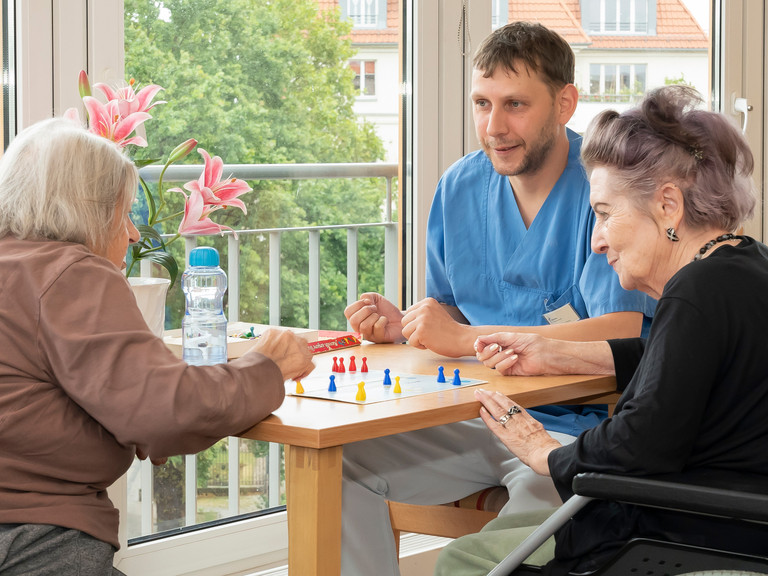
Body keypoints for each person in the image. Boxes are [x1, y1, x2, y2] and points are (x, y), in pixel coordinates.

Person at [341, 22, 656, 576]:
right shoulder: (460, 186)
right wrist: (409, 325)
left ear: (565, 103)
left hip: (569, 430)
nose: (494, 127)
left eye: (515, 105)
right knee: (340, 462)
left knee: (539, 507)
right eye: (481, 104)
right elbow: (457, 307)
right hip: (475, 414)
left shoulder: (605, 191)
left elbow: (624, 328)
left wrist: (465, 338)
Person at [434, 84, 768, 576]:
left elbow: (639, 445)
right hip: (739, 524)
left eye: (606, 214)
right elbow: (675, 360)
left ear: (668, 205)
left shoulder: (694, 292)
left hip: (691, 536)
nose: (596, 240)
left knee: (464, 558)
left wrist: (548, 453)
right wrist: (558, 354)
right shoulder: (744, 266)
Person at [0, 118, 315, 575]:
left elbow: (34, 399)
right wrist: (267, 366)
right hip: (34, 541)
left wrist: (134, 415)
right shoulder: (71, 273)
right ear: (86, 210)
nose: (131, 234)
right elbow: (171, 412)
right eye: (123, 213)